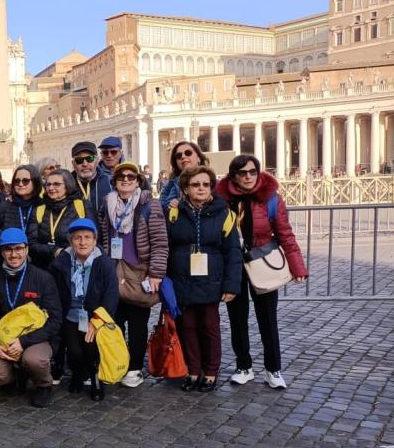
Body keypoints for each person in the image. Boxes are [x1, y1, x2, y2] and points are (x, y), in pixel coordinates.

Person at [216, 155, 308, 390]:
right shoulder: (221, 199)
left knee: (267, 318)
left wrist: (297, 266)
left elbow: (285, 233)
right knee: (237, 318)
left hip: (262, 262)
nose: (248, 176)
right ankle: (243, 366)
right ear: (233, 175)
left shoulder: (271, 199)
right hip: (234, 265)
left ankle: (273, 369)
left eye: (252, 172)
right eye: (242, 172)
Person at [166, 165, 242, 392]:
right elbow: (166, 247)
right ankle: (192, 369)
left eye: (206, 184)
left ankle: (210, 372)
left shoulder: (225, 214)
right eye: (195, 184)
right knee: (187, 326)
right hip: (183, 278)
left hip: (211, 278)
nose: (201, 188)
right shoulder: (173, 213)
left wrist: (231, 284)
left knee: (210, 327)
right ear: (185, 188)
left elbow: (233, 253)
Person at [97, 162, 168, 388]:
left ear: (138, 180)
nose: (125, 180)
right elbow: (102, 239)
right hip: (114, 271)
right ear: (114, 181)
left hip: (139, 272)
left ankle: (135, 367)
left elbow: (159, 242)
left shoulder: (150, 205)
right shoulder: (106, 205)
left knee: (138, 324)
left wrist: (156, 273)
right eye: (120, 177)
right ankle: (117, 362)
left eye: (130, 176)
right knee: (115, 323)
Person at [0, 228, 62, 407]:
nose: (14, 254)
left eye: (18, 249)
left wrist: (23, 342)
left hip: (35, 339)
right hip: (4, 340)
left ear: (26, 250)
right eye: (8, 249)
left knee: (34, 359)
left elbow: (55, 320)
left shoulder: (43, 278)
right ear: (2, 252)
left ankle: (43, 384)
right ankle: (17, 376)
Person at [50, 219, 119, 401]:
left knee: (90, 349)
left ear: (95, 240)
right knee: (74, 351)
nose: (82, 242)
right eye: (77, 238)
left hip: (95, 315)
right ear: (71, 241)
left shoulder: (104, 263)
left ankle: (95, 377)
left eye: (87, 237)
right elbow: (54, 290)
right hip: (70, 314)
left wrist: (96, 322)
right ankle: (77, 374)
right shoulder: (62, 261)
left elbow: (111, 296)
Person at [30, 168, 95, 267]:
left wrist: (68, 252)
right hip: (45, 268)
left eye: (56, 184)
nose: (51, 188)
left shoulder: (82, 206)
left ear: (67, 186)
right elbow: (31, 244)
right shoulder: (39, 210)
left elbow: (93, 238)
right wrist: (54, 250)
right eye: (48, 184)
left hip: (76, 266)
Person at [0, 164, 43, 237]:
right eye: (17, 181)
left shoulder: (43, 206)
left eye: (25, 181)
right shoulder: (4, 207)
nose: (20, 184)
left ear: (35, 182)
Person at [161, 141, 210, 210]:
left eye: (188, 153)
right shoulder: (169, 185)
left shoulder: (212, 181)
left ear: (198, 158)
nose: (183, 156)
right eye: (178, 156)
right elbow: (163, 210)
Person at [71, 141, 112, 216]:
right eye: (79, 160)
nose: (85, 164)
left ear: (96, 161)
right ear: (73, 164)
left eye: (90, 159)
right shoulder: (66, 185)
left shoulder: (110, 182)